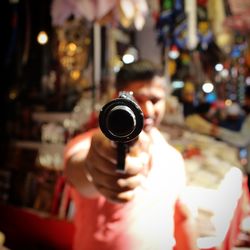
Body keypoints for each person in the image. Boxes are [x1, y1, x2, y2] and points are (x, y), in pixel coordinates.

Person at [64, 60, 198, 250]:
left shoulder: (171, 156)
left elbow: (182, 216)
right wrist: (95, 165)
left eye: (155, 100)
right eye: (139, 100)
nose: (148, 110)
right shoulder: (86, 143)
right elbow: (78, 170)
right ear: (116, 99)